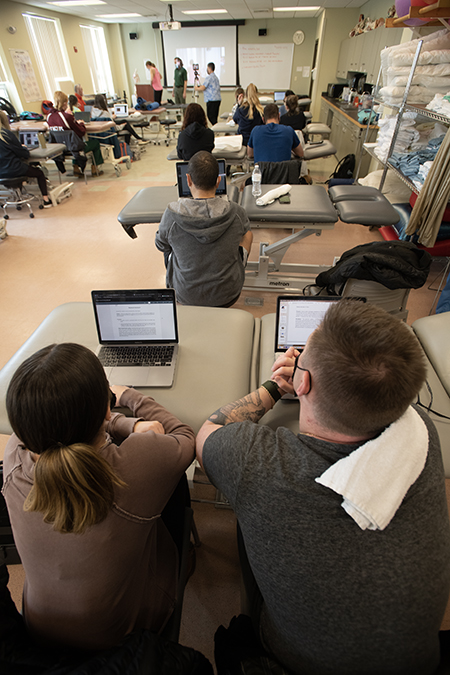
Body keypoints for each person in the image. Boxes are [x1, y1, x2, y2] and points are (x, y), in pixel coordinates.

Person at [196, 300, 450, 675]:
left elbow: (207, 434)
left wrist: (274, 386)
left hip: (292, 661)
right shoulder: (422, 434)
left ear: (304, 381)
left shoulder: (258, 464)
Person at [3, 342, 195, 651]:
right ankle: (187, 563)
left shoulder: (14, 455)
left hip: (39, 630)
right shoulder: (136, 466)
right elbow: (184, 436)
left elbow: (58, 437)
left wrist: (113, 420)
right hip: (126, 638)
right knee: (175, 485)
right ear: (106, 408)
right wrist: (129, 402)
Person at [155, 151, 252, 307]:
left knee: (169, 245)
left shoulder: (172, 214)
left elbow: (161, 245)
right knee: (247, 234)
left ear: (188, 180)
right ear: (219, 180)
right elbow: (247, 234)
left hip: (186, 296)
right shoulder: (236, 212)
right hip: (228, 295)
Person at [0, 110, 52, 208]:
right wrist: (23, 148)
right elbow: (24, 154)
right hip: (14, 169)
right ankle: (46, 200)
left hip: (1, 174)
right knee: (39, 173)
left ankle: (18, 198)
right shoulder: (6, 135)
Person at [47, 91, 104, 177]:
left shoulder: (49, 117)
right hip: (72, 148)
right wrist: (81, 124)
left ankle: (76, 168)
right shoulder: (67, 117)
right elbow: (81, 132)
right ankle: (95, 168)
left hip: (60, 150)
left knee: (73, 143)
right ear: (65, 103)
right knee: (94, 143)